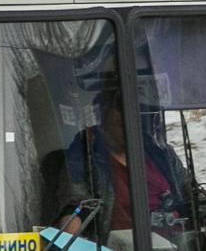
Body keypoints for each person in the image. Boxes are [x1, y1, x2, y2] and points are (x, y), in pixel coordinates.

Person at [63, 90, 184, 233]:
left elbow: (190, 192)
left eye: (135, 122)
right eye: (121, 125)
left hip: (180, 243)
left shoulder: (161, 154)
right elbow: (76, 206)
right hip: (121, 249)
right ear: (102, 124)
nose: (130, 129)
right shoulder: (83, 158)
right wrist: (70, 235)